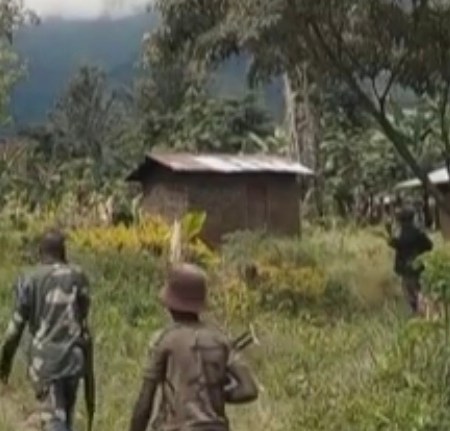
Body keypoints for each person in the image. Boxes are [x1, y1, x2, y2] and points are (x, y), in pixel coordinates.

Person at [129, 263, 258, 431]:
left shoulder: (164, 339)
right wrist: (216, 393)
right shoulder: (220, 340)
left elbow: (145, 402)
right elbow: (248, 390)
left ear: (170, 303)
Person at [0, 229, 93, 431]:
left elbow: (14, 331)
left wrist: (4, 366)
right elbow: (84, 315)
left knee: (54, 420)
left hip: (47, 363)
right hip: (74, 361)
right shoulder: (78, 276)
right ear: (63, 252)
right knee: (65, 416)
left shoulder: (30, 279)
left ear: (40, 252)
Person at [386, 206, 433, 313]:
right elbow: (429, 246)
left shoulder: (401, 234)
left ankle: (417, 312)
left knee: (409, 292)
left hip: (405, 268)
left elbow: (394, 243)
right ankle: (421, 312)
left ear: (401, 221)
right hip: (418, 266)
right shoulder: (418, 233)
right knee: (418, 291)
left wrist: (390, 235)